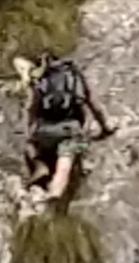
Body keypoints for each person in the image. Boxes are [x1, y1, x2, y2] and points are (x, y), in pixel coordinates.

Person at [25, 50, 112, 209]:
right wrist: (105, 128)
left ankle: (40, 167)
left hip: (44, 132)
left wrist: (33, 134)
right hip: (71, 132)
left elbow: (32, 109)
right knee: (66, 159)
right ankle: (55, 193)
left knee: (31, 149)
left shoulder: (41, 78)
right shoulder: (75, 76)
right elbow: (94, 106)